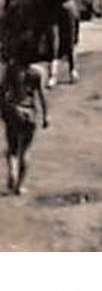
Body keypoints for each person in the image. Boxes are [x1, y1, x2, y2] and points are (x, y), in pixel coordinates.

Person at [2, 60, 48, 195]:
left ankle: (12, 171)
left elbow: (2, 91)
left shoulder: (11, 71)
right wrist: (46, 115)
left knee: (12, 148)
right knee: (26, 151)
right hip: (30, 114)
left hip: (14, 111)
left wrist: (3, 110)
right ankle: (19, 186)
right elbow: (42, 95)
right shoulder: (37, 72)